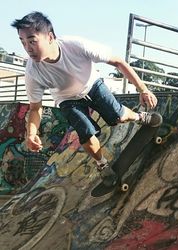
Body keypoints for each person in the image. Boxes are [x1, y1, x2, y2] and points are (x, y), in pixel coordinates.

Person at [11, 11, 162, 186]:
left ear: (50, 37)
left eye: (32, 41)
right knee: (86, 132)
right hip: (67, 99)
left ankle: (139, 117)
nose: (28, 49)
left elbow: (118, 62)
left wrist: (143, 89)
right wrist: (31, 134)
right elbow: (35, 108)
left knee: (118, 116)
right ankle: (102, 165)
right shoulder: (32, 71)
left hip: (92, 85)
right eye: (23, 43)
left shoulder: (75, 45)